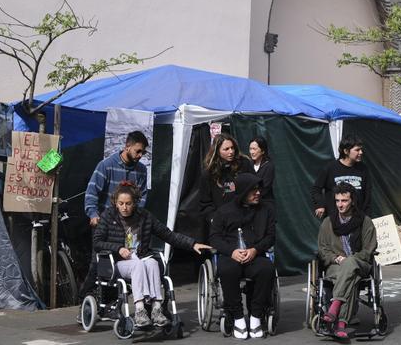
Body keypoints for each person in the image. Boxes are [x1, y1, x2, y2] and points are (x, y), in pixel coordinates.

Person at [94, 182, 211, 328]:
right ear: (115, 203)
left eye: (128, 203)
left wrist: (192, 244)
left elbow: (168, 234)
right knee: (138, 264)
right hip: (118, 262)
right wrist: (118, 248)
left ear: (135, 203)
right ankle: (140, 310)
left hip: (141, 258)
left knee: (153, 263)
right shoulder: (108, 216)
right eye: (121, 203)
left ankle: (156, 308)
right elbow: (97, 242)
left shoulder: (145, 217)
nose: (124, 207)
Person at [78, 131, 150, 301]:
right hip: (106, 225)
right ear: (127, 146)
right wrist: (93, 214)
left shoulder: (141, 170)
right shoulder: (106, 165)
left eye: (143, 152)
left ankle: (112, 303)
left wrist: (136, 217)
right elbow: (92, 192)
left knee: (123, 264)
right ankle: (85, 299)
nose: (140, 155)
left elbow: (143, 196)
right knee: (99, 264)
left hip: (128, 227)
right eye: (138, 151)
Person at [209, 173, 277, 339]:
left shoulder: (266, 210)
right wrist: (231, 252)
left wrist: (255, 250)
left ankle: (255, 317)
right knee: (227, 270)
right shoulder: (224, 212)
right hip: (231, 255)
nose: (258, 193)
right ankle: (238, 318)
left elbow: (270, 236)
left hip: (255, 255)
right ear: (243, 192)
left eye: (259, 189)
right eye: (253, 190)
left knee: (266, 269)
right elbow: (214, 238)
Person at [317, 183, 378, 339]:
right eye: (337, 201)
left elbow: (368, 250)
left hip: (360, 263)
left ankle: (335, 306)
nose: (340, 204)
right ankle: (342, 324)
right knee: (351, 278)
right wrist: (336, 258)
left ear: (352, 201)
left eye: (344, 200)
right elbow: (323, 249)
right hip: (335, 266)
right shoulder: (328, 223)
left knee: (350, 264)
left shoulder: (365, 222)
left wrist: (351, 259)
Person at [311, 135, 372, 219]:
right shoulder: (330, 168)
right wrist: (320, 205)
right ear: (346, 151)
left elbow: (367, 194)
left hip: (357, 219)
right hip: (335, 220)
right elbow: (316, 189)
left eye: (361, 149)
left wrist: (365, 215)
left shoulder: (363, 169)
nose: (361, 152)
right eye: (357, 150)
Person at [198, 133, 253, 224]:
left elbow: (254, 187)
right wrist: (214, 219)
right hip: (223, 222)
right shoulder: (208, 174)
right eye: (226, 149)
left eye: (232, 148)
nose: (231, 151)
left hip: (245, 217)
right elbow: (205, 203)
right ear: (217, 151)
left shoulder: (244, 164)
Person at [248, 136, 275, 201]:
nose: (252, 152)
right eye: (250, 149)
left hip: (264, 202)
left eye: (254, 149)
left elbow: (265, 188)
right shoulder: (248, 164)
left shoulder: (268, 166)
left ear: (263, 151)